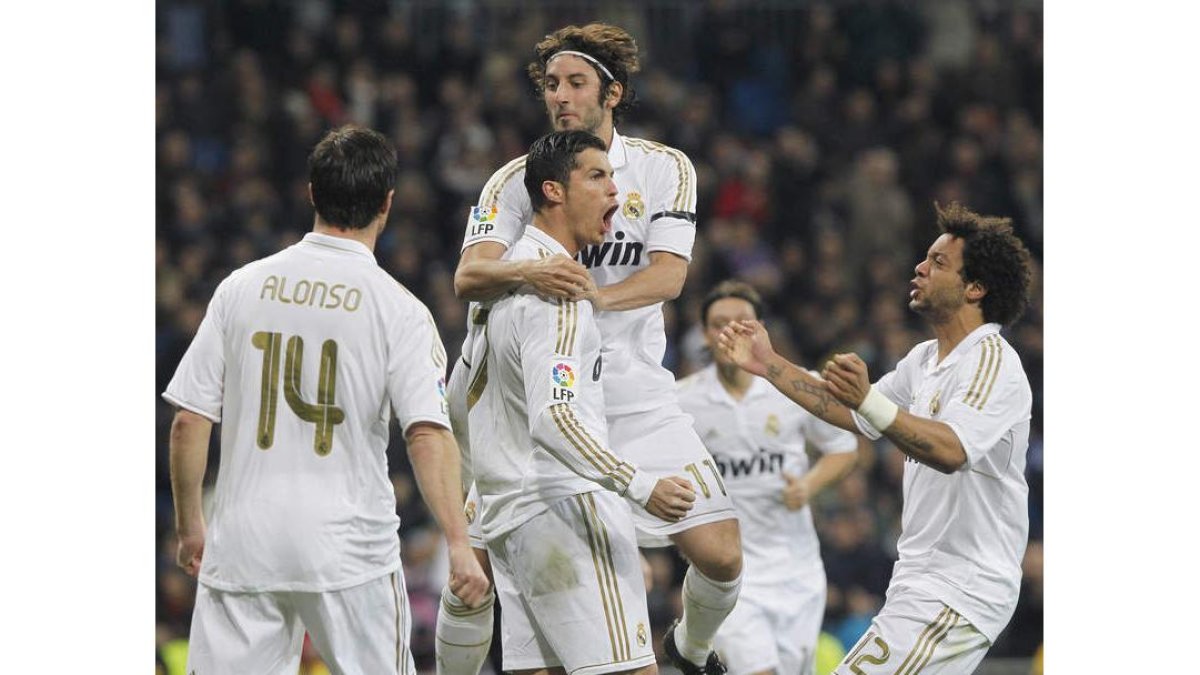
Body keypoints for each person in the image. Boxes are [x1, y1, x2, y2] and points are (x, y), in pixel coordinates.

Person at [438, 23, 742, 675]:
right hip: (540, 403)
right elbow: (470, 274)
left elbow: (669, 275)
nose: (561, 96)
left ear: (613, 93)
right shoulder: (520, 180)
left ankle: (686, 648)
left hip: (634, 396)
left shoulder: (664, 169)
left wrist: (588, 297)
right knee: (476, 563)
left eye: (576, 83)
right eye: (551, 85)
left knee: (721, 553)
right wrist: (534, 274)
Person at [164, 125, 489, 674]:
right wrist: (458, 541)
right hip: (349, 549)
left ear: (311, 192)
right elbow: (427, 434)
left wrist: (191, 524)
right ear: (387, 204)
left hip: (245, 539)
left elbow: (189, 422)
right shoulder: (399, 308)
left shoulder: (241, 287)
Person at [717, 202, 1035, 674]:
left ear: (975, 288)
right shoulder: (925, 359)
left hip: (962, 586)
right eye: (926, 258)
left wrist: (870, 401)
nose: (920, 267)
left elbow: (952, 450)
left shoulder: (992, 361)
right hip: (920, 580)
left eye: (938, 263)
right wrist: (768, 365)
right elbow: (854, 411)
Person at [470, 128, 699, 675]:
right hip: (570, 509)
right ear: (553, 191)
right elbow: (557, 417)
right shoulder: (561, 293)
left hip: (512, 516)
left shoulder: (502, 283)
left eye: (614, 177)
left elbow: (466, 391)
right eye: (597, 177)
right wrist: (641, 486)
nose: (615, 194)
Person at [677, 280, 860, 675]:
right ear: (706, 334)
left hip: (799, 569)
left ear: (760, 328)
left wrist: (809, 485)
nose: (730, 330)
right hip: (731, 574)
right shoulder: (681, 400)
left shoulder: (793, 387)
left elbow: (844, 447)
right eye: (719, 323)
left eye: (741, 322)